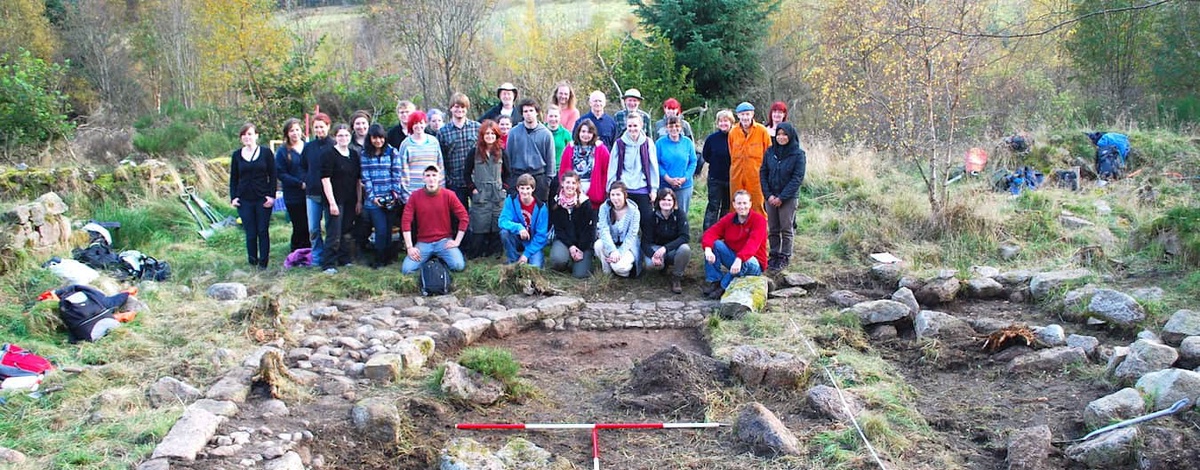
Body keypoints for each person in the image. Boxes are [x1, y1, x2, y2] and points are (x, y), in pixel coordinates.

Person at [400, 165, 469, 274]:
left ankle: (438, 260)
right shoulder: (414, 196)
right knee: (406, 269)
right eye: (428, 175)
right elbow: (405, 221)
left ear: (439, 177)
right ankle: (431, 262)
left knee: (458, 266)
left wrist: (456, 241)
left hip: (444, 241)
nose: (431, 178)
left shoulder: (449, 195)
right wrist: (410, 247)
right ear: (423, 178)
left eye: (434, 175)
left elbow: (464, 217)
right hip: (423, 242)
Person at [701, 190, 767, 299]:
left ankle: (723, 287)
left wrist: (739, 259)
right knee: (714, 244)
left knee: (747, 260)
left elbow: (753, 244)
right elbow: (710, 233)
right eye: (739, 203)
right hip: (735, 259)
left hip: (753, 262)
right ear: (734, 205)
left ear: (750, 204)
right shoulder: (729, 219)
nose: (742, 206)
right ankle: (714, 280)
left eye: (745, 203)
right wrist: (708, 249)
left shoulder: (759, 220)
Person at [760, 123, 806, 272]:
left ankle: (785, 255)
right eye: (779, 134)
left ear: (790, 136)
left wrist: (782, 197)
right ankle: (774, 254)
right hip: (770, 196)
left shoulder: (798, 154)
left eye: (784, 134)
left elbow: (797, 178)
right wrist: (768, 195)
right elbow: (763, 173)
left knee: (786, 228)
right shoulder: (770, 152)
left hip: (788, 198)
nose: (781, 137)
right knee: (773, 228)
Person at [229, 123, 277, 269]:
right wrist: (233, 197)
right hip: (244, 200)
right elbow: (234, 178)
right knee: (250, 232)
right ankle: (252, 261)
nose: (247, 137)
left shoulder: (266, 153)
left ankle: (263, 263)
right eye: (244, 135)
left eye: (250, 134)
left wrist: (271, 196)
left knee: (262, 230)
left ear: (256, 135)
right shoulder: (237, 155)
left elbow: (273, 175)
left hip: (263, 198)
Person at [319, 124, 363, 273]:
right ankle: (329, 264)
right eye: (340, 136)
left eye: (346, 135)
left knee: (346, 231)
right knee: (334, 233)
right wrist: (332, 203)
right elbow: (325, 180)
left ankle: (344, 259)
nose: (343, 138)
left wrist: (358, 200)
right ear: (335, 137)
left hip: (350, 200)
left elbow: (358, 180)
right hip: (335, 200)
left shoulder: (354, 154)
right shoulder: (328, 154)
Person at [360, 124, 402, 268]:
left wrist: (394, 193)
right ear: (370, 138)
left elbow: (396, 173)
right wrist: (373, 197)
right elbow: (366, 177)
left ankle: (388, 258)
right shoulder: (365, 154)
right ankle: (379, 260)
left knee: (389, 229)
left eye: (381, 138)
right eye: (375, 138)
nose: (378, 141)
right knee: (380, 230)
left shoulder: (392, 152)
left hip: (390, 197)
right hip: (374, 201)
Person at [464, 120, 507, 258]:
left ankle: (495, 253)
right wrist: (473, 189)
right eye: (486, 133)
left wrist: (504, 189)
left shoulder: (502, 152)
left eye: (492, 133)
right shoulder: (474, 152)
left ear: (497, 135)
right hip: (481, 194)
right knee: (479, 225)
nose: (489, 136)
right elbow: (466, 173)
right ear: (482, 135)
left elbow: (509, 173)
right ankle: (476, 254)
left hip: (497, 194)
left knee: (497, 224)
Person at [608, 113, 658, 231]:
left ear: (641, 126)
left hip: (642, 187)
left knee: (647, 221)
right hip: (624, 188)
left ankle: (646, 247)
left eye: (635, 125)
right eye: (629, 126)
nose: (632, 129)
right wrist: (611, 188)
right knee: (624, 223)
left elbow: (653, 167)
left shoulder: (648, 143)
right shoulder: (619, 143)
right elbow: (613, 167)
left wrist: (654, 189)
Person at [504, 98, 555, 201]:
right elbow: (507, 158)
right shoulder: (514, 133)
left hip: (538, 177)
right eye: (525, 111)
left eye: (531, 110)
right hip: (518, 176)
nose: (528, 114)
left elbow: (550, 159)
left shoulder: (546, 134)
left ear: (537, 112)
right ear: (522, 114)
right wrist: (509, 180)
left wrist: (547, 181)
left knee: (539, 211)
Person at [437, 93, 481, 212]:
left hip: (475, 181)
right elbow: (441, 160)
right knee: (459, 217)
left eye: (463, 107)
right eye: (456, 107)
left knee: (480, 216)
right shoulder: (443, 132)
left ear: (467, 109)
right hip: (455, 182)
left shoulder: (477, 128)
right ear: (451, 108)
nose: (459, 110)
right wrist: (447, 180)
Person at [300, 113, 334, 266]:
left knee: (330, 228)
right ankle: (317, 257)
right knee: (314, 228)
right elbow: (302, 167)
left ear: (328, 126)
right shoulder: (308, 147)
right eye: (316, 127)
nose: (319, 130)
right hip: (312, 194)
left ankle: (329, 256)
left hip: (331, 195)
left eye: (322, 126)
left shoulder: (334, 145)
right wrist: (305, 180)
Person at [642, 188, 690, 294]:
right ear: (658, 201)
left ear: (674, 202)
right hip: (656, 247)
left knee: (685, 249)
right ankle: (662, 267)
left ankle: (676, 277)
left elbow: (685, 237)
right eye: (663, 199)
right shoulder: (651, 217)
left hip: (672, 248)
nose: (666, 202)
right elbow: (645, 242)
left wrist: (665, 248)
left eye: (669, 200)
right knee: (651, 265)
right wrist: (653, 255)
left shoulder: (680, 214)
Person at [548, 170, 595, 278]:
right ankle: (567, 260)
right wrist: (571, 246)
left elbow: (589, 230)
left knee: (580, 275)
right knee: (557, 260)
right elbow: (558, 229)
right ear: (562, 184)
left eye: (573, 183)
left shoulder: (585, 203)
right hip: (565, 241)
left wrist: (581, 248)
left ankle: (581, 262)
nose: (570, 186)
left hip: (583, 244)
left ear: (578, 185)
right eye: (567, 182)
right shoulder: (557, 203)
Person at [498, 173, 550, 268]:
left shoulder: (541, 208)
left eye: (528, 188)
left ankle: (527, 257)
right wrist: (519, 227)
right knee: (504, 233)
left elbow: (541, 235)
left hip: (532, 241)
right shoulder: (511, 200)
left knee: (535, 268)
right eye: (522, 188)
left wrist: (526, 254)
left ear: (533, 189)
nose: (525, 192)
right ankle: (513, 261)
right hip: (517, 237)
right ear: (517, 188)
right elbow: (502, 221)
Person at [274, 118, 310, 252]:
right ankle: (296, 250)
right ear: (287, 134)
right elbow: (281, 173)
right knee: (298, 224)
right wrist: (299, 184)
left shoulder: (308, 147)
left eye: (297, 130)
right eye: (291, 131)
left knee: (309, 224)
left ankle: (308, 251)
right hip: (293, 194)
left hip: (310, 193)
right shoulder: (282, 151)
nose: (295, 133)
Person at [729, 102, 769, 217]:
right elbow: (731, 151)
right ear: (738, 116)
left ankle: (760, 231)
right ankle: (737, 231)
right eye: (742, 114)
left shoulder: (762, 131)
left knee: (757, 205)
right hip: (736, 176)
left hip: (756, 176)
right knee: (736, 204)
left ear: (752, 114)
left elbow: (768, 154)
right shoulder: (733, 132)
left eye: (747, 114)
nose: (745, 117)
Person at [559, 118, 611, 207]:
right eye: (583, 131)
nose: (586, 135)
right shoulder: (570, 148)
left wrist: (602, 190)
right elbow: (563, 171)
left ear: (593, 134)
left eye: (589, 132)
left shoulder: (601, 149)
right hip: (573, 189)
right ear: (578, 132)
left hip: (594, 190)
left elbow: (607, 171)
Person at [397, 111, 445, 206]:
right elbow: (402, 170)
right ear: (411, 125)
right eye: (415, 123)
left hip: (432, 189)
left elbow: (440, 166)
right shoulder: (405, 144)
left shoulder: (434, 141)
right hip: (413, 193)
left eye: (421, 123)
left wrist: (441, 188)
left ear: (425, 124)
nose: (418, 126)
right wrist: (406, 196)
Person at [594, 181, 640, 278]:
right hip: (611, 245)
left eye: (618, 194)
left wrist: (619, 253)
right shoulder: (604, 208)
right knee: (598, 245)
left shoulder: (634, 211)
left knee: (620, 268)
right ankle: (607, 272)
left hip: (628, 247)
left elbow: (632, 235)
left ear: (625, 195)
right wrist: (613, 251)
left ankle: (623, 271)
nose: (615, 198)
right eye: (612, 195)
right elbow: (604, 230)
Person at [655, 115, 698, 216]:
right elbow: (656, 163)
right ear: (666, 127)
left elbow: (693, 162)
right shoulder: (660, 143)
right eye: (671, 126)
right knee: (663, 213)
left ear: (681, 127)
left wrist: (685, 178)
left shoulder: (688, 142)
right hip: (664, 184)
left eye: (677, 126)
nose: (674, 128)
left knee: (681, 214)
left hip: (684, 185)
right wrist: (668, 178)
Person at [702, 109, 734, 230]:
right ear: (717, 123)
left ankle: (723, 231)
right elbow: (706, 155)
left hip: (731, 178)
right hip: (715, 178)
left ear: (731, 122)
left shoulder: (735, 137)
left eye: (726, 121)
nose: (723, 124)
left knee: (727, 206)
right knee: (713, 205)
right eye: (720, 121)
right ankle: (708, 232)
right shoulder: (712, 138)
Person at [546, 105, 572, 171]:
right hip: (544, 170)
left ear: (560, 117)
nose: (553, 119)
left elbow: (571, 153)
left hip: (560, 170)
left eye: (555, 116)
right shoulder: (541, 131)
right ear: (546, 116)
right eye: (551, 116)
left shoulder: (566, 134)